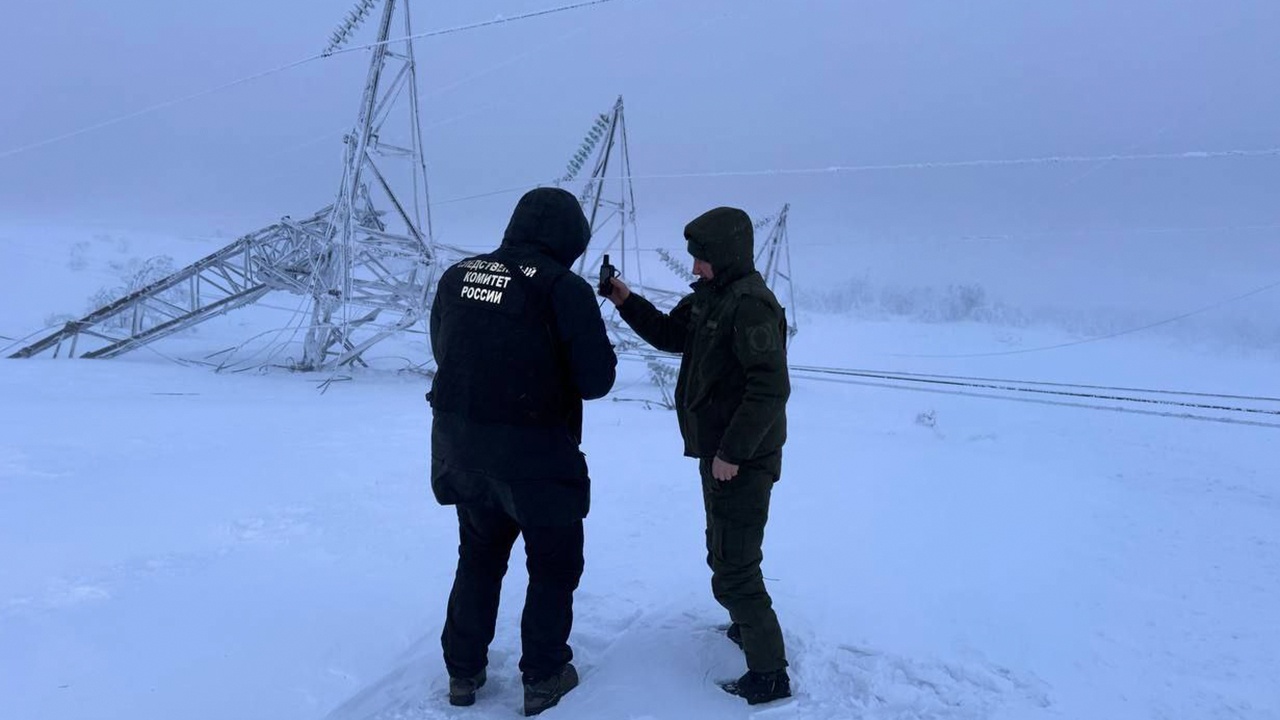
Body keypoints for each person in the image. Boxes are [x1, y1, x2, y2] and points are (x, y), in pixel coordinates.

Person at [427, 187, 617, 716]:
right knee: (554, 565)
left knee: (479, 556)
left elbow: (445, 349)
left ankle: (462, 674)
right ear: (569, 238)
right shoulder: (564, 288)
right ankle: (544, 675)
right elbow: (595, 380)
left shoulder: (458, 275)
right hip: (536, 458)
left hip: (461, 448)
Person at [603, 206, 792, 705]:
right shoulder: (715, 297)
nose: (694, 269)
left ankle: (770, 676)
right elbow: (670, 335)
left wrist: (732, 452)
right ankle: (744, 625)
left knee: (736, 565)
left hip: (742, 460)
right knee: (722, 549)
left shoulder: (751, 305)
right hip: (719, 456)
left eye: (701, 259)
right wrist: (625, 300)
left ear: (726, 255)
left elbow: (770, 389)